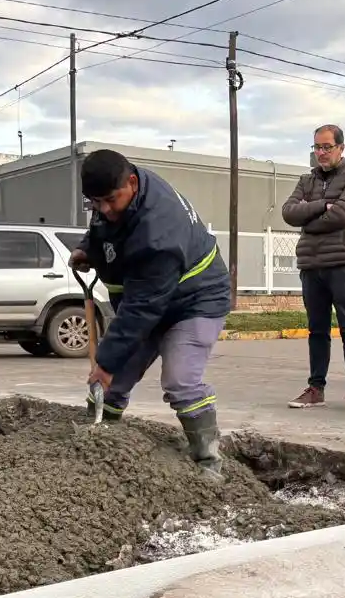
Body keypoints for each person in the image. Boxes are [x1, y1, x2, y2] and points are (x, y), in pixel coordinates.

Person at [68, 148, 232, 483]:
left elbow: (141, 309)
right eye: (96, 203)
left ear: (130, 182)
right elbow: (103, 226)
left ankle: (209, 463)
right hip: (151, 298)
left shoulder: (159, 231)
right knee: (111, 382)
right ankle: (97, 445)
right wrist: (89, 247)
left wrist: (106, 363)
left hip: (195, 299)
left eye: (110, 200)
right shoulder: (119, 189)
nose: (105, 210)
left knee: (179, 380)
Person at [281, 124, 345, 412]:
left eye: (327, 147)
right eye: (317, 147)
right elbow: (288, 212)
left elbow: (344, 214)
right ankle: (315, 389)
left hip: (344, 264)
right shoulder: (306, 180)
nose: (321, 152)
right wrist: (323, 205)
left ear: (341, 148)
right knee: (317, 330)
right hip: (312, 266)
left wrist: (309, 215)